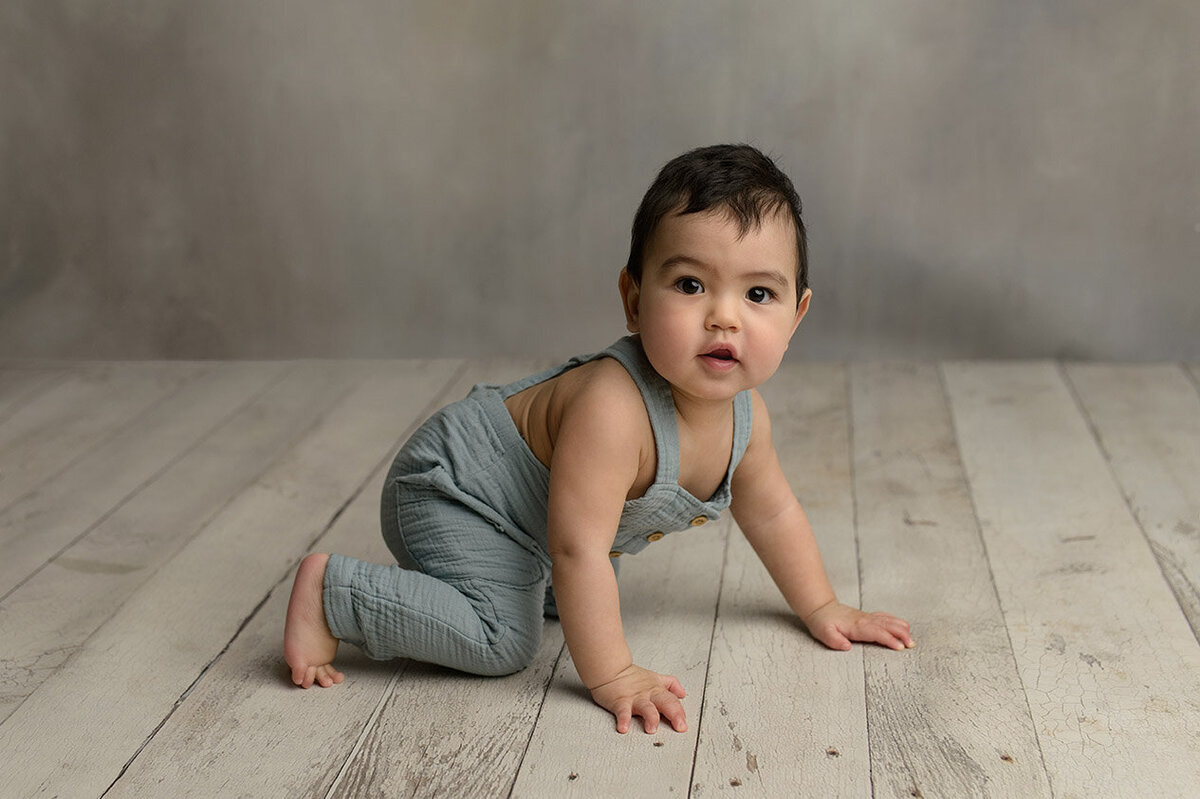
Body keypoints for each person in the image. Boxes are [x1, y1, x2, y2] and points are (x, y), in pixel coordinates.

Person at [284, 143, 913, 735]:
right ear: (634, 301)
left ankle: (516, 579)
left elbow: (773, 511)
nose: (725, 316)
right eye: (690, 285)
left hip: (534, 523)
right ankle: (335, 593)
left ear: (796, 316)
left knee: (571, 595)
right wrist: (612, 673)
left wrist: (823, 606)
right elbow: (579, 549)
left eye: (758, 293)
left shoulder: (749, 420)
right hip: (453, 493)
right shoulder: (613, 409)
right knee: (505, 637)